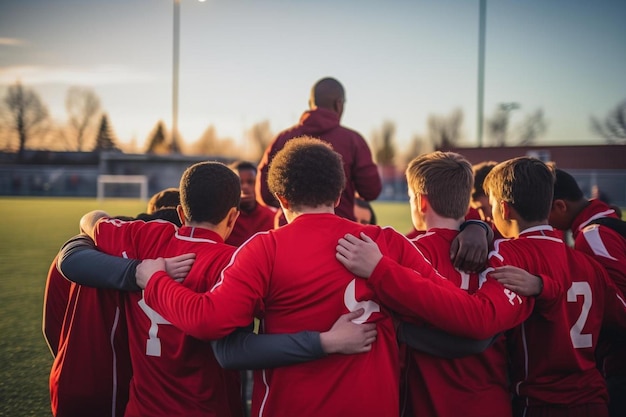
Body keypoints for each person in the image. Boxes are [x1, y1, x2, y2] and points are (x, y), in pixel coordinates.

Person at [135, 136, 493, 417]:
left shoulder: (264, 248)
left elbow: (208, 321)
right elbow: (469, 318)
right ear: (339, 193)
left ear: (279, 197)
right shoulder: (386, 243)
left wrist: (155, 282)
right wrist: (385, 276)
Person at [337, 157, 626, 417]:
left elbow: (477, 323)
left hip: (444, 402)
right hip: (514, 400)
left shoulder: (503, 256)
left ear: (421, 202)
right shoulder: (503, 253)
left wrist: (399, 327)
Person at [42, 189, 185, 417]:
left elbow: (51, 325)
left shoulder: (85, 250)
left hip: (71, 381)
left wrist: (68, 362)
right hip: (129, 388)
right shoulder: (183, 262)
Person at [398, 151, 511, 417]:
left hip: (431, 402)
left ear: (422, 202)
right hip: (492, 400)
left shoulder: (405, 254)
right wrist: (480, 227)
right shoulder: (501, 252)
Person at [549, 168, 626, 417]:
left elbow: (620, 307)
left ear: (560, 206)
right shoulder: (604, 224)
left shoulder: (593, 235)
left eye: (543, 212)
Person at [256, 77, 382, 222]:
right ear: (338, 104)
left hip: (289, 231)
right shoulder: (353, 140)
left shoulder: (282, 139)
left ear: (311, 103)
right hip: (338, 235)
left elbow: (264, 194)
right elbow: (372, 190)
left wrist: (294, 204)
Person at [226, 161, 275, 247]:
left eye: (250, 182)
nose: (245, 187)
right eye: (240, 182)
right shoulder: (224, 219)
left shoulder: (271, 217)